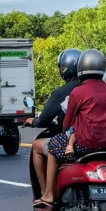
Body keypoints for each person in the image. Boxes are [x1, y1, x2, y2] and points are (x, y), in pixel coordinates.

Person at [35, 49, 106, 211]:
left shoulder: (78, 91)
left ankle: (48, 194)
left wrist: (65, 132)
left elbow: (67, 122)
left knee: (53, 147)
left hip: (85, 145)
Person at [24, 48, 82, 197]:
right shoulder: (102, 89)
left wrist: (35, 121)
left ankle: (46, 193)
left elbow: (47, 119)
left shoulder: (65, 92)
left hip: (77, 138)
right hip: (102, 140)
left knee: (40, 146)